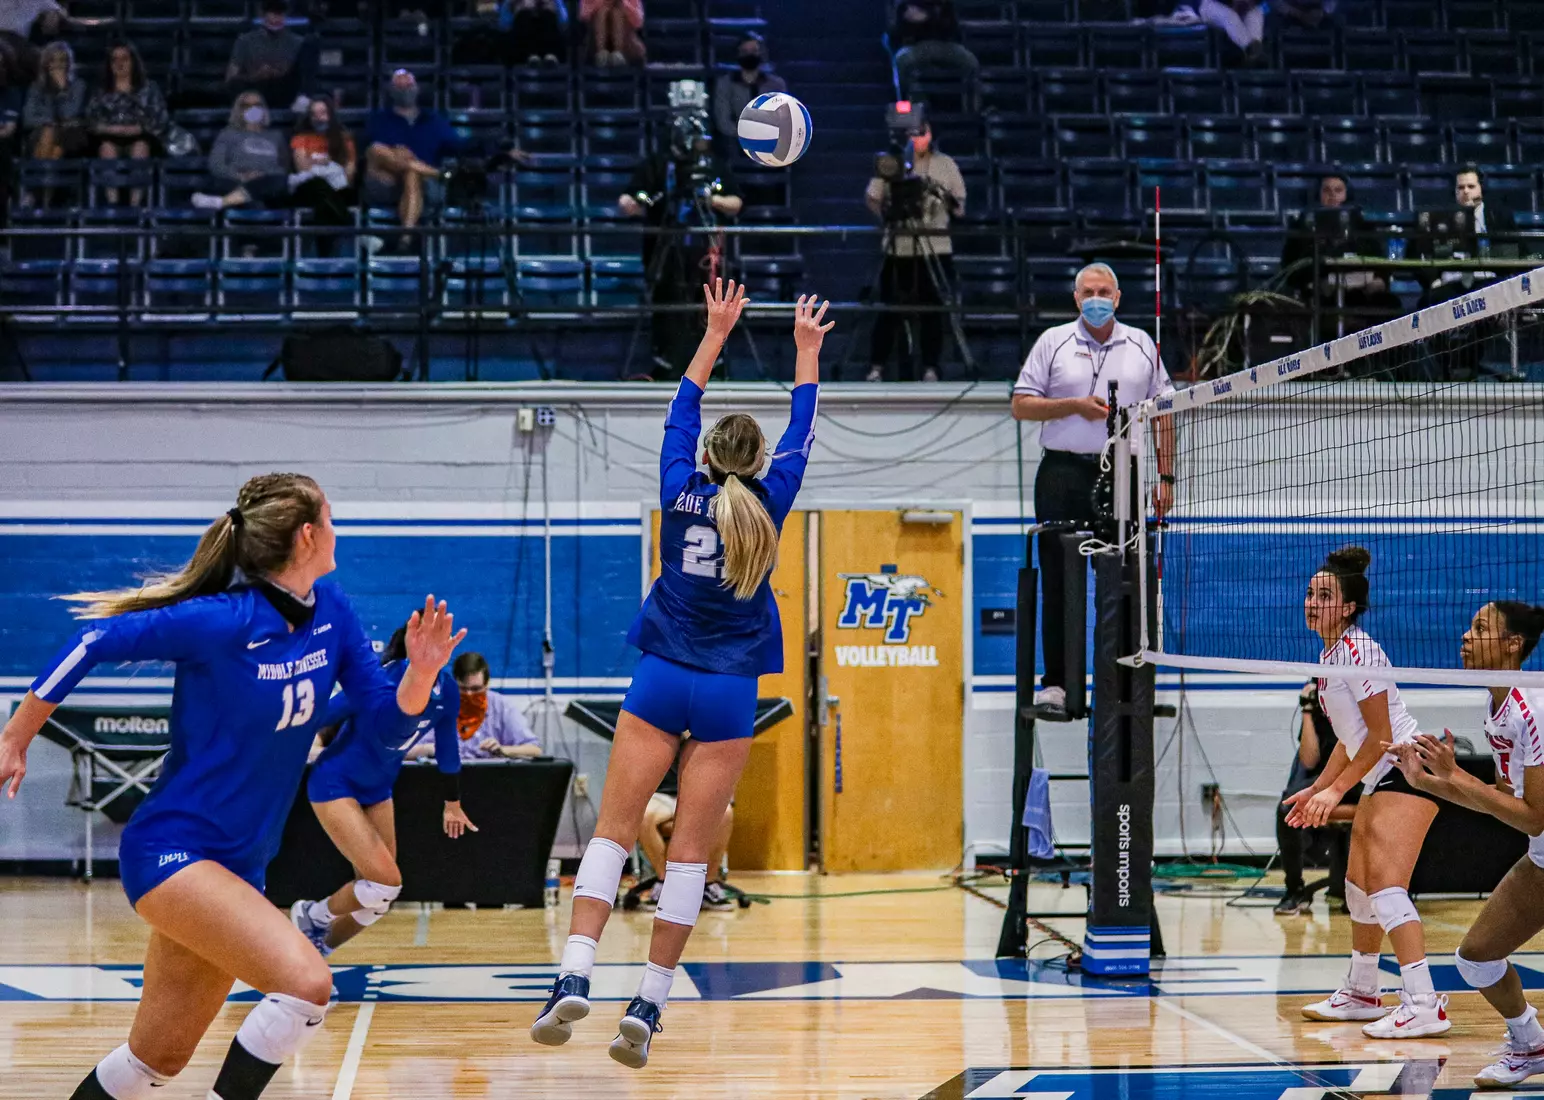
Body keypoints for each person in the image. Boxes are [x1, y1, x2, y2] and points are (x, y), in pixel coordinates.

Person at [0, 473, 465, 1100]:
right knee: (307, 982)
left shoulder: (332, 612)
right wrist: (15, 736)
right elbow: (92, 639)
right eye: (330, 518)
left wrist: (422, 675)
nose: (337, 529)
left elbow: (382, 723)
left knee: (154, 1059)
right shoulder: (221, 620)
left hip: (242, 865)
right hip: (175, 852)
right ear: (307, 535)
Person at [529, 281, 829, 1068]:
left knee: (613, 833)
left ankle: (574, 972)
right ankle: (650, 1003)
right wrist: (806, 349)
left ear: (703, 458)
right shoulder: (771, 501)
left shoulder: (676, 489)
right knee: (691, 855)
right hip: (729, 689)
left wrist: (714, 331)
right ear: (760, 463)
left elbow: (682, 404)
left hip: (662, 676)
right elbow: (805, 423)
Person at [1286, 546, 1445, 1039]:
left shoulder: (1361, 651)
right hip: (1380, 770)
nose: (1312, 602)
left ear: (1350, 607)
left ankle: (1423, 1003)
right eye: (1311, 593)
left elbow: (1379, 738)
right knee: (1357, 887)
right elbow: (1351, 738)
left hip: (1406, 768)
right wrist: (1317, 786)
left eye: (1325, 595)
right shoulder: (1329, 657)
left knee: (1385, 887)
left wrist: (1334, 793)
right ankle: (1362, 992)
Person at [1387, 602, 1544, 1087]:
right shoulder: (1498, 707)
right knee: (1475, 959)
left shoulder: (1532, 709)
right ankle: (1530, 1043)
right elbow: (1502, 800)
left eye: (1480, 628)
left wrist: (1454, 776)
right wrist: (1428, 780)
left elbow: (1536, 816)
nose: (1466, 635)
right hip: (1542, 859)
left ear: (1513, 644)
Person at [1009, 263, 1176, 719]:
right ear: (1076, 298)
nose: (1097, 298)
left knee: (1125, 579)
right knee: (1060, 580)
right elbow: (1021, 405)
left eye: (1105, 291)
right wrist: (1075, 407)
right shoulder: (1054, 342)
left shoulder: (1142, 343)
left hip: (1125, 472)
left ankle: (1122, 681)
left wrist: (1165, 477)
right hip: (1063, 472)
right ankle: (1057, 684)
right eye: (1089, 292)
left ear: (1118, 297)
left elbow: (1165, 412)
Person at [289, 613, 475, 958]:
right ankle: (312, 914)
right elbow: (316, 717)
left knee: (380, 899)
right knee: (384, 882)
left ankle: (317, 951)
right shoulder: (375, 683)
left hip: (378, 789)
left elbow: (448, 744)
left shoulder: (446, 689)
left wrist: (452, 801)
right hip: (335, 783)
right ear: (411, 649)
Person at [618, 113, 744, 378]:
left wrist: (711, 200)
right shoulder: (658, 164)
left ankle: (714, 367)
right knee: (666, 307)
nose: (701, 143)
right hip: (664, 250)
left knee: (710, 308)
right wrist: (636, 203)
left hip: (706, 253)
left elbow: (736, 203)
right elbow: (628, 199)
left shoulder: (713, 166)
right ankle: (664, 366)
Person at [863, 120, 965, 384]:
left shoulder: (945, 164)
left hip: (935, 247)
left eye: (922, 133)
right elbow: (872, 197)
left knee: (933, 310)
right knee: (889, 309)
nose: (917, 139)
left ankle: (931, 367)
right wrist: (886, 213)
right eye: (912, 134)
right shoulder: (892, 162)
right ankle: (877, 367)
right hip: (898, 249)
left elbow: (960, 207)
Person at [1279, 173, 1402, 329]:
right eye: (1327, 191)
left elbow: (1380, 261)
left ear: (1347, 195)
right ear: (1318, 194)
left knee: (1390, 304)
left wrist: (1381, 280)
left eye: (1338, 190)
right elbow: (1290, 267)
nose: (1332, 196)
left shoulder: (1362, 224)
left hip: (1361, 293)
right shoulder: (1302, 225)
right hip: (1321, 297)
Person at [1274, 680, 1356, 916]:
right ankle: (1294, 889)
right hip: (1326, 779)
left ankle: (1361, 890)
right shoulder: (1321, 707)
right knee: (1286, 809)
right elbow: (1309, 760)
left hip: (1360, 776)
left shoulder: (1362, 705)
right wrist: (1308, 710)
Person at [363, 69, 466, 249]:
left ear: (417, 89)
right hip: (386, 183)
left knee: (411, 173)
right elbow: (371, 153)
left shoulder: (434, 120)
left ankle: (406, 237)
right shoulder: (378, 120)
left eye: (408, 85)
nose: (405, 90)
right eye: (400, 86)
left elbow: (460, 147)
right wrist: (395, 151)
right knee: (377, 149)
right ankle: (437, 173)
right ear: (391, 90)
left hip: (427, 185)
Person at [639, 758, 735, 912]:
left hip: (700, 793)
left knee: (725, 812)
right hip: (662, 794)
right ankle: (665, 883)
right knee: (645, 816)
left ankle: (707, 885)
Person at [86, 41, 168, 206]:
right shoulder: (101, 90)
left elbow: (159, 119)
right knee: (107, 149)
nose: (119, 64)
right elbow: (91, 120)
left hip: (142, 137)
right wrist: (114, 129)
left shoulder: (149, 88)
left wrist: (135, 129)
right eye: (114, 59)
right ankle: (113, 204)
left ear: (133, 62)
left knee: (140, 148)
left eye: (124, 58)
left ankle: (135, 205)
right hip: (108, 138)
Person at [191, 91, 291, 211]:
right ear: (239, 110)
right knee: (255, 202)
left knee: (276, 182)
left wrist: (262, 174)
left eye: (257, 105)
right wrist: (241, 176)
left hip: (268, 183)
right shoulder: (228, 134)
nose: (253, 109)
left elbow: (283, 167)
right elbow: (216, 164)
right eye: (246, 105)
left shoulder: (276, 136)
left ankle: (222, 202)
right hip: (236, 182)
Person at [447, 651, 542, 760]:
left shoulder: (502, 707)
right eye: (463, 689)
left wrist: (502, 750)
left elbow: (535, 750)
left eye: (476, 689)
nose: (469, 694)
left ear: (487, 685)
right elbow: (422, 745)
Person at [226, 0, 316, 114]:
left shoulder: (298, 42)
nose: (276, 19)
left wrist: (281, 72)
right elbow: (231, 78)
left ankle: (303, 100)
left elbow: (301, 75)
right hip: (255, 90)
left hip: (285, 90)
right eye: (273, 14)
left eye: (280, 14)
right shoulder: (245, 41)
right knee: (237, 86)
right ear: (263, 15)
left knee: (310, 45)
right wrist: (255, 76)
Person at [287, 93, 355, 231]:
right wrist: (328, 161)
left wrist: (319, 161)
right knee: (319, 185)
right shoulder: (301, 138)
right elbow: (302, 168)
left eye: (323, 113)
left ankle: (323, 250)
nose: (319, 118)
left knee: (325, 203)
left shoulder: (344, 137)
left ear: (331, 114)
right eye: (314, 114)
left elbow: (349, 168)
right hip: (308, 188)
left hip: (337, 187)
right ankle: (357, 232)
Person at [712, 33, 786, 151]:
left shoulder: (776, 85)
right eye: (745, 51)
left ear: (761, 53)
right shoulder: (725, 84)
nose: (750, 55)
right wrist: (744, 134)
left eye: (754, 51)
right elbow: (723, 120)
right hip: (736, 142)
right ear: (738, 54)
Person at [891, 0, 977, 99]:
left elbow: (953, 29)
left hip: (945, 46)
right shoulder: (906, 4)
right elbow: (896, 33)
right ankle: (911, 102)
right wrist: (909, 21)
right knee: (901, 60)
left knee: (971, 62)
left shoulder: (944, 4)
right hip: (917, 46)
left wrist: (930, 16)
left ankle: (972, 106)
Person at [23, 40, 88, 161]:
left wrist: (63, 90)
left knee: (58, 143)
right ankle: (48, 175)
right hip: (40, 134)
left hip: (70, 134)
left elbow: (69, 113)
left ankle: (40, 176)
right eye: (53, 60)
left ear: (69, 63)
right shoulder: (36, 88)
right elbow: (28, 118)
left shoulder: (78, 86)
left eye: (62, 60)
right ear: (46, 64)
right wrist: (49, 123)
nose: (58, 65)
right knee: (50, 136)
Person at [501, 0, 569, 65]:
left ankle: (550, 56)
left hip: (549, 46)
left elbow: (564, 22)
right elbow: (504, 25)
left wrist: (552, 7)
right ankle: (530, 56)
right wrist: (516, 8)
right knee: (524, 15)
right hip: (522, 45)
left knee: (548, 15)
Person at [1198, 0, 1266, 64]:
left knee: (1256, 12)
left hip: (1242, 6)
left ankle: (1256, 47)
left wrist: (1251, 2)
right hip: (1213, 5)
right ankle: (1250, 48)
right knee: (1230, 15)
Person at [580, 0, 645, 66]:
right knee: (602, 13)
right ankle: (602, 55)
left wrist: (623, 4)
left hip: (625, 40)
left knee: (617, 13)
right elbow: (584, 15)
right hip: (595, 41)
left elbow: (638, 22)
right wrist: (604, 3)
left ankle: (618, 56)